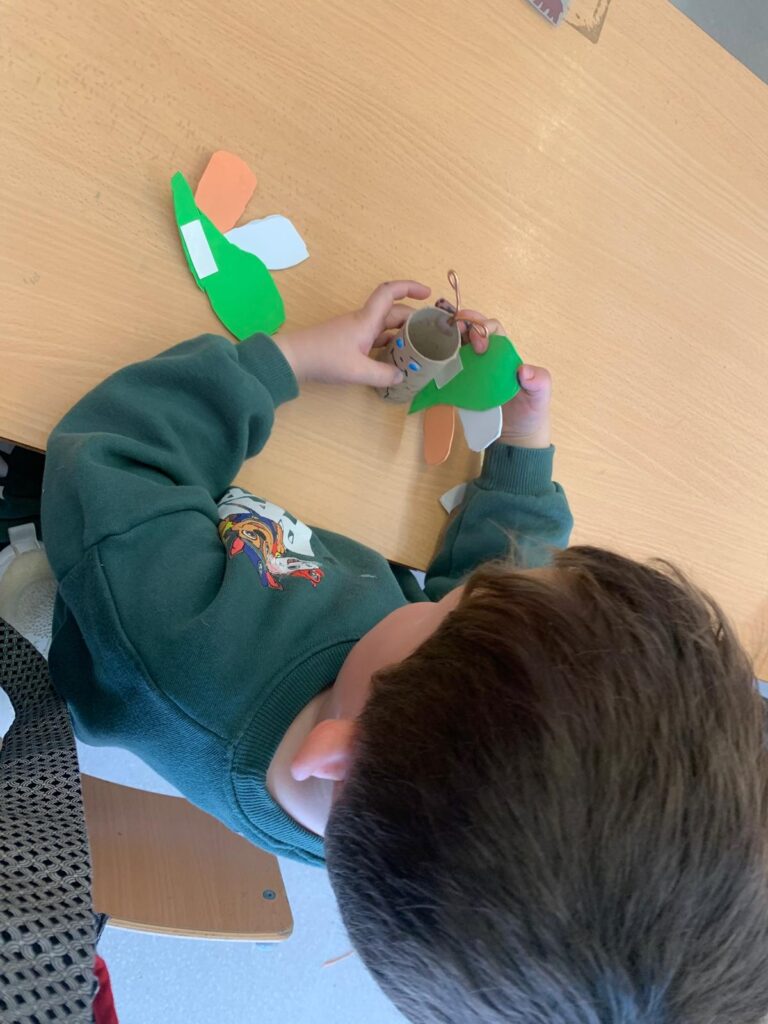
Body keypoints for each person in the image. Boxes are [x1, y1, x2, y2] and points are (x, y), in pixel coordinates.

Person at [42, 281, 768, 1023]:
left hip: (104, 561)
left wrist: (288, 361)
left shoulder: (184, 646)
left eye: (454, 605)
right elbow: (502, 615)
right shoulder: (412, 799)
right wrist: (518, 449)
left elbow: (111, 455)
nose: (472, 586)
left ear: (335, 749)